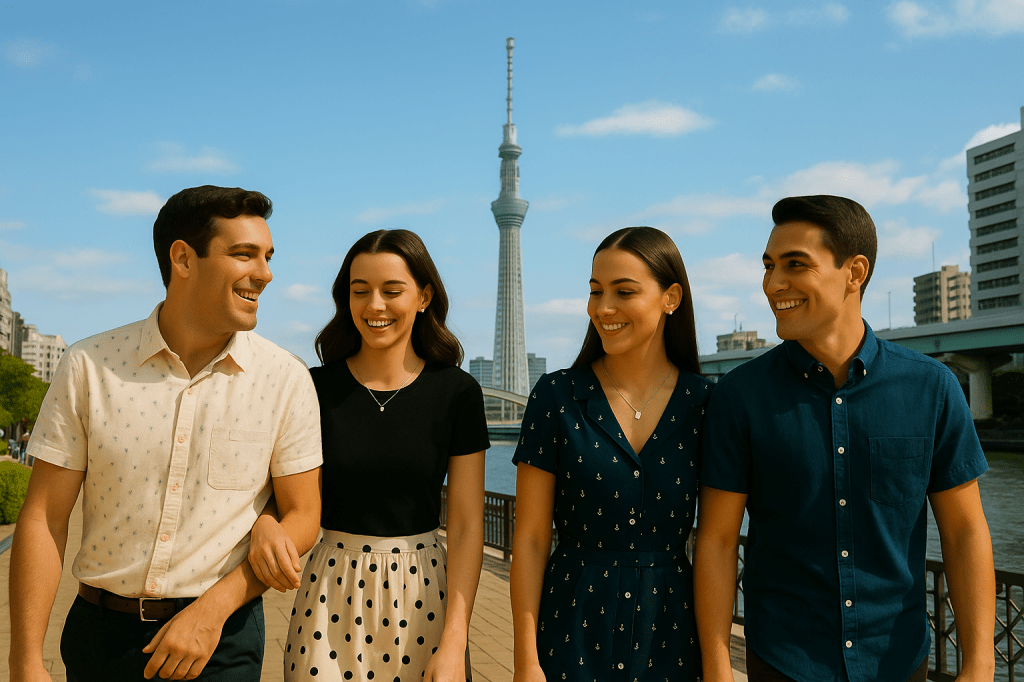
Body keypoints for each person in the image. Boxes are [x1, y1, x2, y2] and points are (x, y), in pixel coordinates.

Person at [8, 185, 324, 682]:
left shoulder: (285, 378)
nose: (264, 273)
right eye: (244, 254)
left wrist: (213, 609)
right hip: (100, 640)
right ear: (183, 259)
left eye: (267, 256)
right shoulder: (89, 366)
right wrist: (25, 659)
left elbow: (304, 513)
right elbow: (45, 516)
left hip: (221, 640)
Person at [695, 195, 995, 682]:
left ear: (855, 272)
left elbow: (964, 533)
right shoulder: (739, 396)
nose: (773, 284)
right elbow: (717, 539)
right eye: (768, 266)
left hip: (898, 661)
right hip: (783, 661)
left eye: (795, 265)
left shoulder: (931, 388)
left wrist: (980, 663)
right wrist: (716, 665)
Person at [252, 229, 488, 681]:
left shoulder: (457, 392)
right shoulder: (314, 388)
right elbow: (275, 492)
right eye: (360, 292)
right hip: (328, 592)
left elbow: (465, 526)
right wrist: (265, 522)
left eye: (391, 291)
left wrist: (455, 639)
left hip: (426, 593)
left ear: (424, 297)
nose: (374, 305)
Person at [510, 226, 711, 682]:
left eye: (624, 291)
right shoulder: (557, 395)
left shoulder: (705, 405)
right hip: (569, 627)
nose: (603, 308)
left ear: (671, 298)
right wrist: (525, 659)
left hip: (672, 631)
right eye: (595, 291)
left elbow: (716, 542)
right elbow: (531, 538)